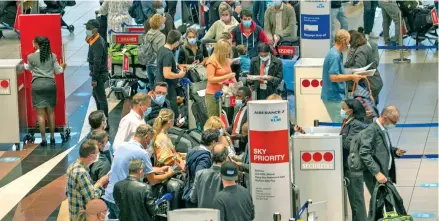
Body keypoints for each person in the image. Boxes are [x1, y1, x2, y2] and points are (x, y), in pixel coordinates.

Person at [103, 124, 174, 219]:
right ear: (146, 137)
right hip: (123, 198)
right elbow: (152, 180)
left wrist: (159, 169)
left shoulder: (122, 146)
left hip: (110, 195)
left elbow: (126, 165)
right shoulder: (142, 153)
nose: (149, 143)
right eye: (150, 140)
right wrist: (168, 174)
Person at [359, 106, 406, 218]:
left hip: (385, 173)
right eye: (394, 121)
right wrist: (377, 173)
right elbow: (364, 153)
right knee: (379, 205)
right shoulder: (371, 130)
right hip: (375, 175)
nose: (395, 124)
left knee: (389, 204)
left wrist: (395, 151)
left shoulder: (382, 129)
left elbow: (381, 147)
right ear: (385, 117)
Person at [25, 36, 65, 146]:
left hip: (37, 85)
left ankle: (43, 139)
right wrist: (63, 66)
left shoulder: (31, 57)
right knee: (51, 112)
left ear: (36, 44)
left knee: (40, 114)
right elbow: (58, 71)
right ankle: (52, 137)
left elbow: (28, 68)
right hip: (50, 85)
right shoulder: (53, 56)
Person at [321, 30, 366, 123]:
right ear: (343, 41)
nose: (349, 43)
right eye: (348, 41)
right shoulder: (334, 56)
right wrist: (351, 77)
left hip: (337, 95)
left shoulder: (337, 53)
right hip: (334, 97)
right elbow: (333, 77)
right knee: (339, 124)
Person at [66, 139, 109, 221]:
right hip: (82, 217)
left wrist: (95, 186)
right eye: (97, 153)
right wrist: (101, 183)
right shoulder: (81, 173)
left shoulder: (72, 166)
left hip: (74, 214)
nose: (98, 155)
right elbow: (92, 199)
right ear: (91, 156)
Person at [151, 109, 186, 209]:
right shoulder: (162, 138)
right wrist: (181, 163)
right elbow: (166, 160)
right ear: (170, 122)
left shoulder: (162, 135)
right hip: (166, 172)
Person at [339, 99, 367, 221]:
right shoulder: (347, 122)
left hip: (353, 167)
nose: (342, 110)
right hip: (346, 165)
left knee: (357, 200)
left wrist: (336, 141)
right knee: (353, 201)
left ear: (351, 111)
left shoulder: (357, 125)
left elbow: (348, 144)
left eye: (344, 108)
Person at [183, 129, 220, 207]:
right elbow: (200, 177)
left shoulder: (193, 151)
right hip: (196, 199)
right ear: (213, 142)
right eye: (217, 142)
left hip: (188, 191)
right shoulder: (204, 158)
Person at [345, 30, 383, 105]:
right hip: (370, 83)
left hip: (370, 84)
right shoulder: (360, 48)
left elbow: (358, 67)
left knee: (369, 109)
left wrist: (344, 71)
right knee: (370, 108)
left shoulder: (361, 50)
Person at [156, 30, 186, 119]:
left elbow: (168, 63)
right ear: (176, 42)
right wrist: (179, 75)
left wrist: (178, 66)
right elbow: (167, 74)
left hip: (160, 83)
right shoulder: (168, 54)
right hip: (167, 86)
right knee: (172, 110)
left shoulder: (162, 49)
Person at [85, 19, 109, 125]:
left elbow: (97, 61)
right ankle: (101, 118)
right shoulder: (94, 40)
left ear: (95, 30)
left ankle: (104, 120)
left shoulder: (98, 43)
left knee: (101, 98)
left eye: (89, 29)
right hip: (97, 72)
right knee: (96, 96)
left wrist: (94, 78)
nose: (87, 30)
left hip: (99, 74)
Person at [190, 144, 228, 208]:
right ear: (226, 157)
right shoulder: (227, 176)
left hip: (204, 215)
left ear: (211, 155)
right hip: (220, 215)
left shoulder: (200, 174)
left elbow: (192, 198)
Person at [205, 40, 237, 117]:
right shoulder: (211, 61)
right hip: (213, 94)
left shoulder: (225, 59)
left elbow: (231, 75)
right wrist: (227, 77)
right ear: (221, 51)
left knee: (225, 117)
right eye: (226, 52)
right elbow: (211, 78)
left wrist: (237, 85)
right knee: (214, 118)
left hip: (226, 93)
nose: (227, 54)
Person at [142, 14, 166, 89]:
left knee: (151, 84)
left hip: (148, 63)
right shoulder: (161, 36)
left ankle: (152, 99)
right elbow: (161, 52)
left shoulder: (147, 34)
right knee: (159, 86)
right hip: (156, 64)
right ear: (160, 24)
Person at [228, 86, 251, 155]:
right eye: (236, 96)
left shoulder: (250, 112)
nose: (236, 98)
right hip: (233, 145)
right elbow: (233, 125)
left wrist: (239, 137)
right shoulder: (237, 109)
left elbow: (250, 133)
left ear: (246, 98)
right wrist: (224, 131)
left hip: (243, 147)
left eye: (239, 96)